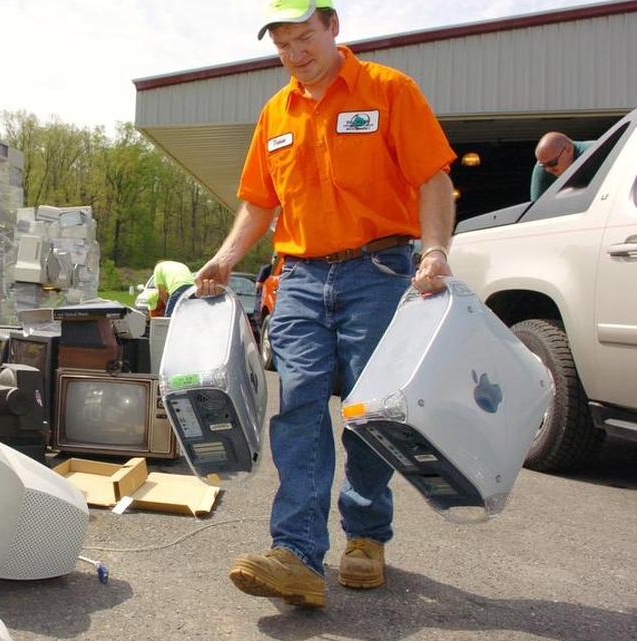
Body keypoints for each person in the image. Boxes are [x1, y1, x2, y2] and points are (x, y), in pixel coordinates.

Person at [195, 0, 456, 609]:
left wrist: (436, 250)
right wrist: (227, 257)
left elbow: (432, 179)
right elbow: (260, 202)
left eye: (304, 39)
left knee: (369, 411)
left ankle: (365, 536)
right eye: (282, 45)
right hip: (301, 278)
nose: (295, 54)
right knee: (298, 407)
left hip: (381, 270)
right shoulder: (275, 113)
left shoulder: (389, 91)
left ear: (333, 26)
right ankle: (297, 554)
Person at [530, 132, 594, 200]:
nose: (548, 169)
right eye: (543, 165)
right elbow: (538, 206)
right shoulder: (542, 169)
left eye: (552, 163)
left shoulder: (594, 154)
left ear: (568, 150)